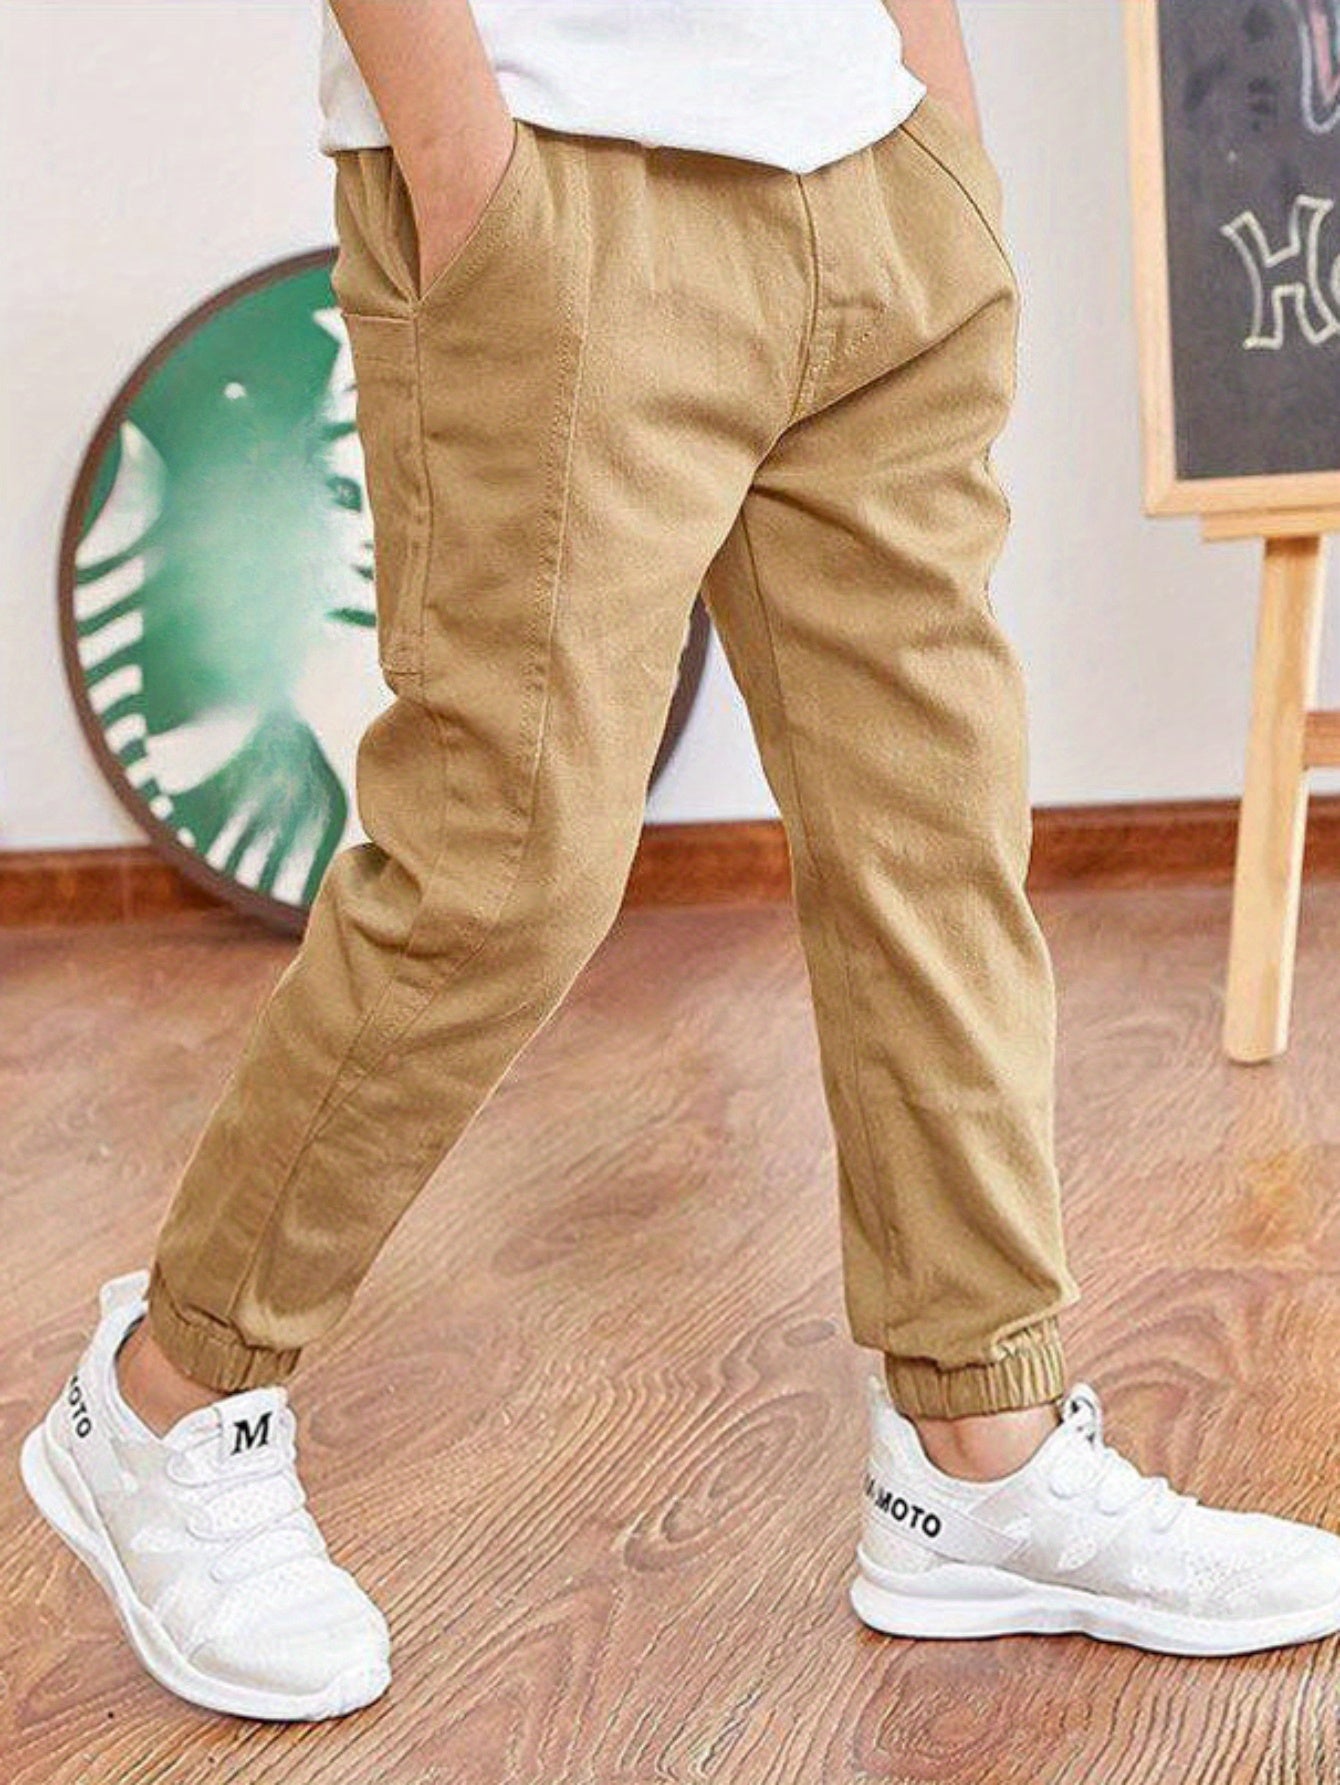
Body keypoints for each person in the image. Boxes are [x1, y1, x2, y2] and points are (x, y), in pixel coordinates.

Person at [22, 0, 1340, 1724]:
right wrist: (469, 173)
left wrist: (937, 129)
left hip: (866, 167)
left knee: (934, 833)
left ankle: (983, 1447)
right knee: (503, 863)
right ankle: (168, 1392)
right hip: (556, 176)